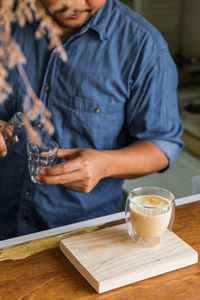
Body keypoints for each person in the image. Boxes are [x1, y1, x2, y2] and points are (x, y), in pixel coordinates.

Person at [0, 0, 184, 241]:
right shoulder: (8, 19)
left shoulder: (144, 47)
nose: (76, 3)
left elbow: (162, 144)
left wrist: (105, 165)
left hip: (82, 236)